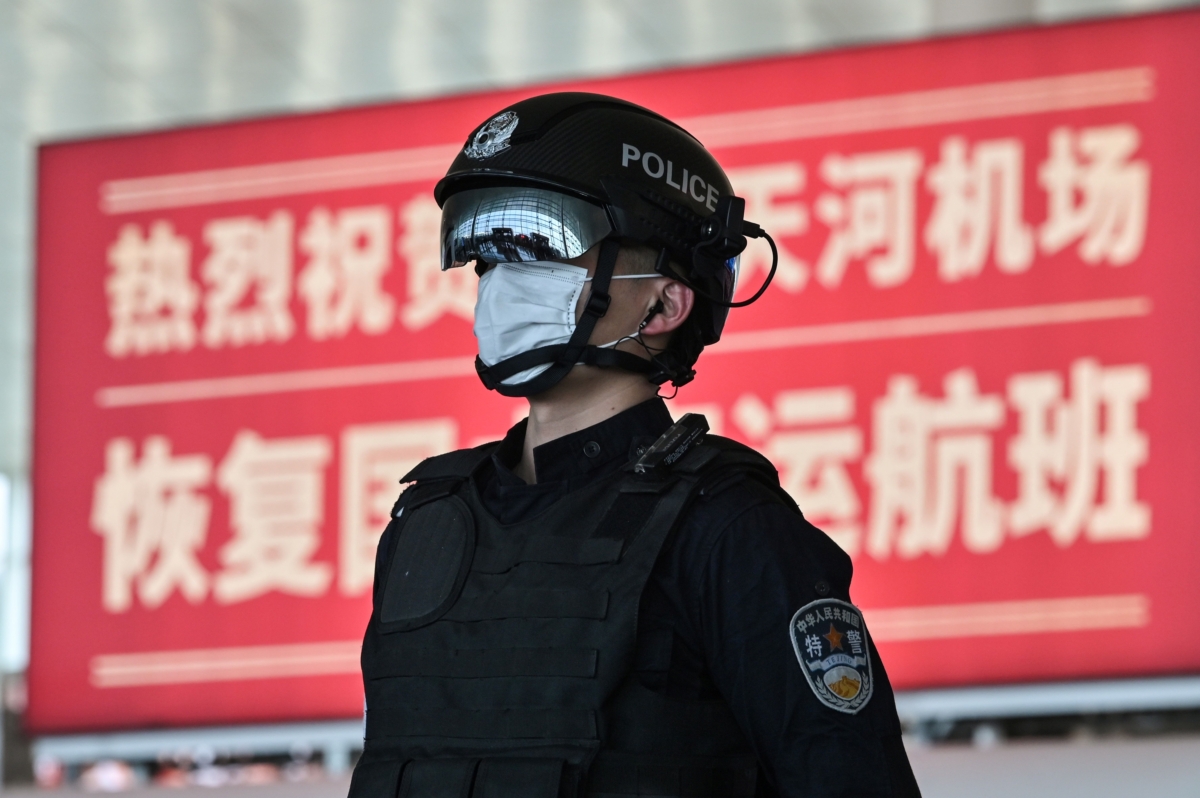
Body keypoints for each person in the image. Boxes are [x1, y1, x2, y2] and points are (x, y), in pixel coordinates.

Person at [349, 92, 921, 798]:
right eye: (487, 257)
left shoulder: (729, 528)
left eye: (540, 247)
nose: (501, 283)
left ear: (664, 305)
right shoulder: (427, 523)